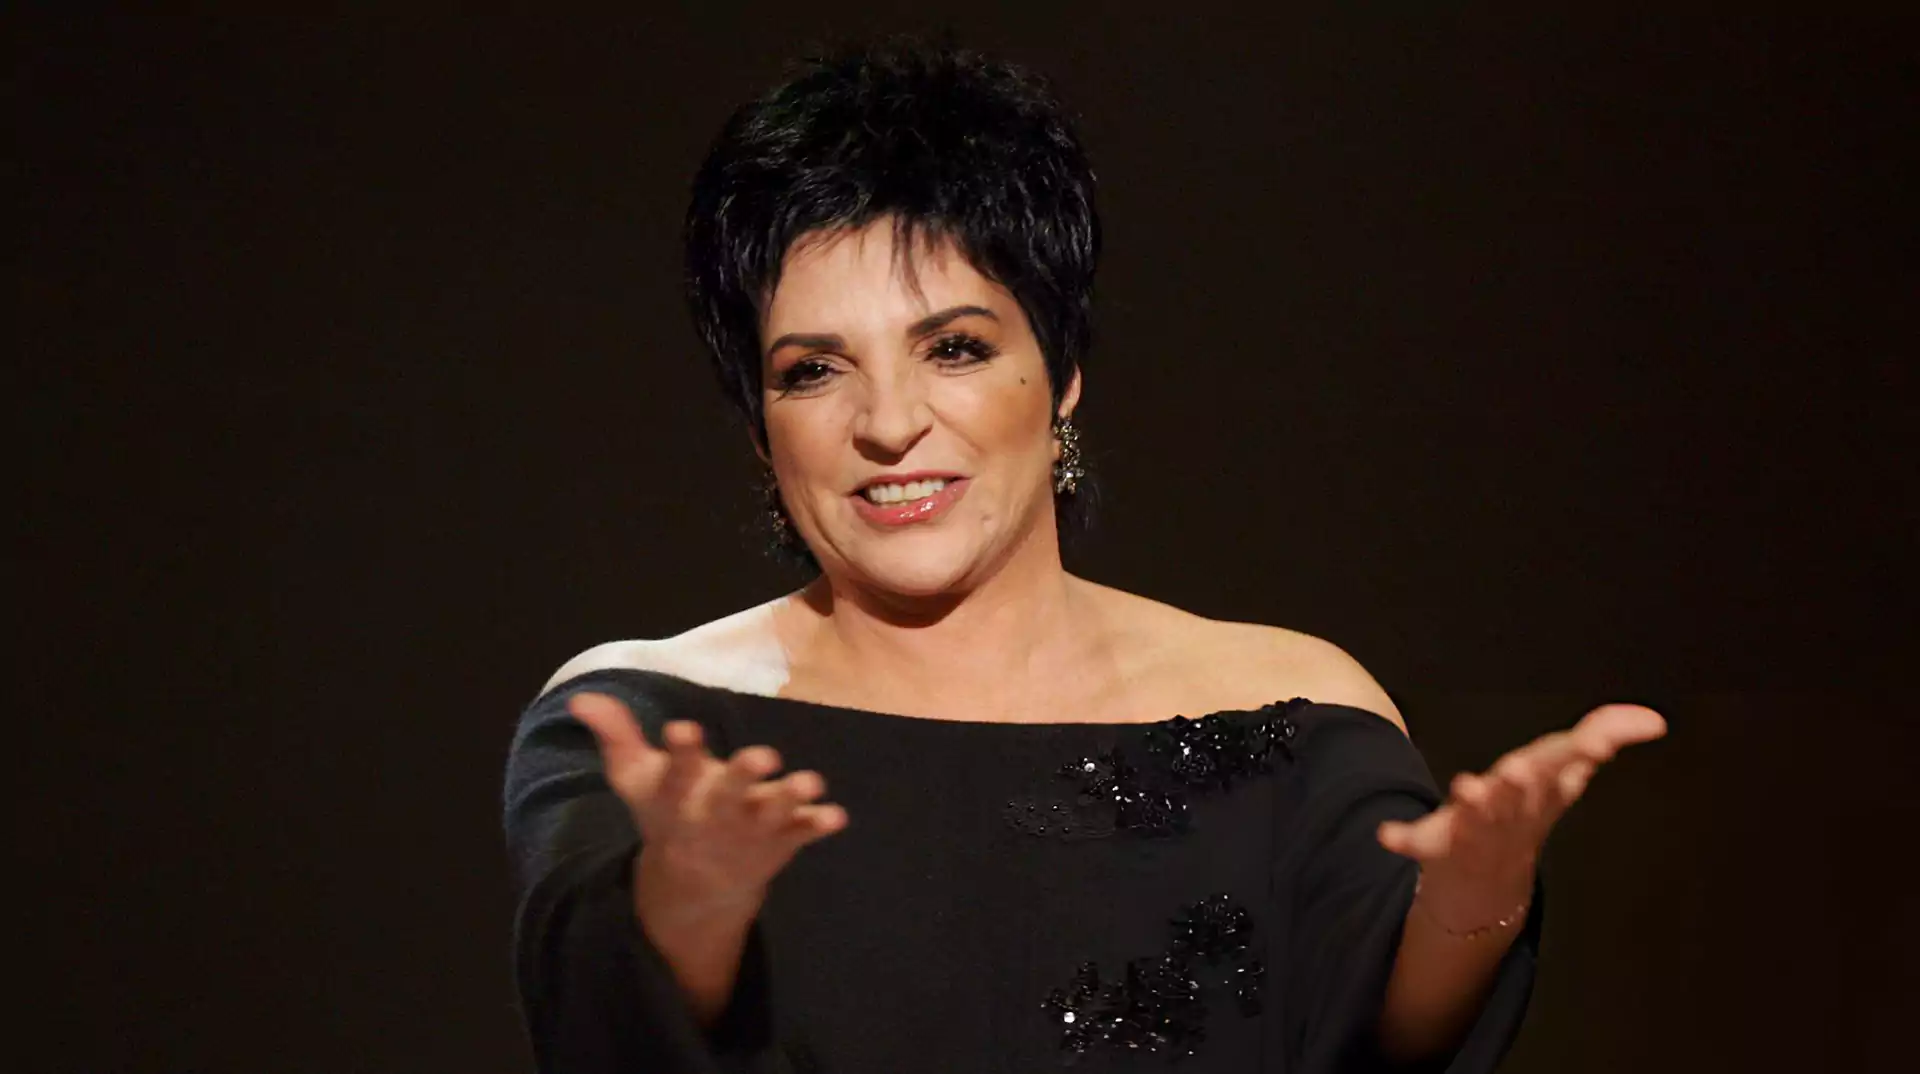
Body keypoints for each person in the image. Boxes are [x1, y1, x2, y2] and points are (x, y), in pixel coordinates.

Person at [502, 38, 1665, 1073]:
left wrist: (1474, 901)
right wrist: (691, 900)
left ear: (1061, 376)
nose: (888, 423)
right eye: (813, 370)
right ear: (762, 431)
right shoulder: (651, 723)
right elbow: (605, 1019)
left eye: (954, 349)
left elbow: (1387, 1039)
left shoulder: (1297, 712)